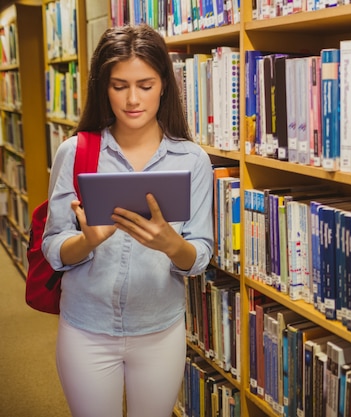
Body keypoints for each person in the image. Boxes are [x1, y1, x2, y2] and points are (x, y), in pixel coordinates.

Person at [42, 24, 214, 417]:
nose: (133, 99)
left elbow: (200, 255)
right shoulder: (75, 152)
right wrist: (88, 240)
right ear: (103, 87)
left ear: (164, 86)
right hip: (86, 327)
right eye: (119, 85)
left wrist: (171, 245)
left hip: (159, 329)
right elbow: (53, 247)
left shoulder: (191, 160)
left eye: (146, 84)